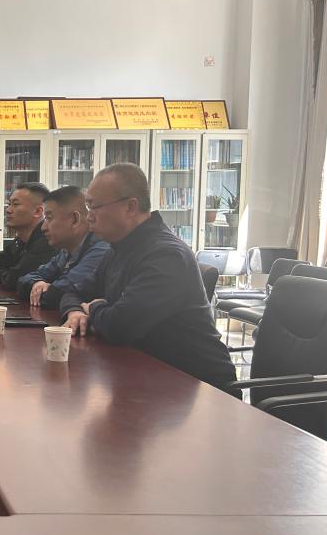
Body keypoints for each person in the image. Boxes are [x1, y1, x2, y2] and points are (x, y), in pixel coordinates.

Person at [59, 163, 236, 389]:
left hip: (196, 386)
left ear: (130, 207)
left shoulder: (166, 256)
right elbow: (73, 291)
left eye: (94, 207)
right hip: (143, 372)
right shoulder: (118, 248)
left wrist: (94, 308)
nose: (88, 217)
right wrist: (75, 311)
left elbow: (120, 327)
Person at [17, 185, 109, 309]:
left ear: (75, 219)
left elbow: (57, 295)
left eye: (49, 218)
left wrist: (45, 290)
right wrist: (37, 283)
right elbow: (23, 280)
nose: (43, 228)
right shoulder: (66, 252)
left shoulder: (101, 251)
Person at [0, 182, 56, 290]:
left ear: (37, 211)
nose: (8, 210)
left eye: (15, 205)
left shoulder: (47, 241)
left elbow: (15, 280)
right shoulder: (20, 240)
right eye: (9, 204)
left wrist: (8, 275)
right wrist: (8, 275)